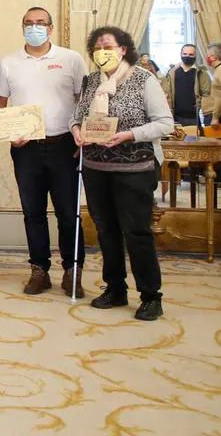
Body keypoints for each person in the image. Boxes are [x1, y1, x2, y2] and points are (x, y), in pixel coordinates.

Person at [71, 25, 173, 321]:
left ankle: (151, 295)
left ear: (123, 49)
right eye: (97, 47)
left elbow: (164, 123)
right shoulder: (91, 81)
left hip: (134, 169)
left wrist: (129, 134)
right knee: (106, 231)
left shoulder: (143, 79)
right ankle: (115, 288)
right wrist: (76, 129)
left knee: (137, 232)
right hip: (96, 168)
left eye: (108, 46)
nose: (102, 52)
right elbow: (76, 116)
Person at [0, 7, 87, 297]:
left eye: (40, 23)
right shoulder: (8, 63)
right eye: (29, 23)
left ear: (51, 28)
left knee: (69, 213)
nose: (35, 27)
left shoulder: (71, 59)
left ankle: (73, 271)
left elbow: (84, 101)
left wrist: (81, 133)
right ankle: (39, 270)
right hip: (26, 150)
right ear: (22, 27)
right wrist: (9, 132)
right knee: (33, 213)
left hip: (64, 146)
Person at [162, 43, 210, 127]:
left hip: (193, 117)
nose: (187, 56)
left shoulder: (201, 73)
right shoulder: (172, 72)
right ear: (181, 54)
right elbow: (166, 93)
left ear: (195, 56)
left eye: (191, 54)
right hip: (175, 117)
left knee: (196, 139)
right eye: (185, 54)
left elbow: (207, 95)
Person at [203, 41, 221, 125]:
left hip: (218, 116)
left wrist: (215, 117)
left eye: (207, 54)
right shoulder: (218, 69)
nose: (206, 57)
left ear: (213, 57)